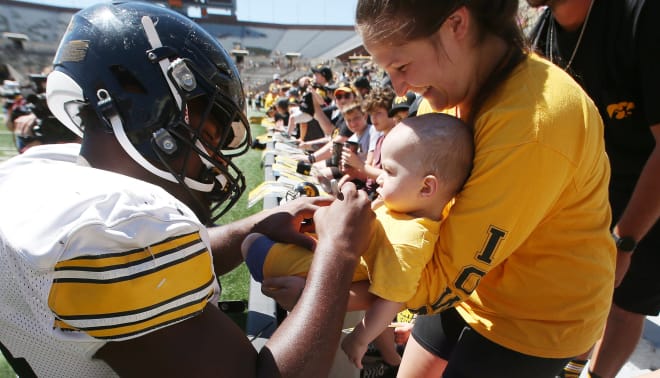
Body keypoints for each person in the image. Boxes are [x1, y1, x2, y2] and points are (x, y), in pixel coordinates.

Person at [0, 3, 376, 377]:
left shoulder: (42, 173)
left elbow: (155, 269)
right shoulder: (115, 224)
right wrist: (338, 250)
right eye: (207, 137)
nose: (213, 159)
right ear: (149, 111)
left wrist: (257, 225)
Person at [349, 0, 617, 377]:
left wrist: (330, 281)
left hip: (538, 321)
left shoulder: (533, 125)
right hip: (469, 284)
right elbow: (416, 216)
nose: (399, 88)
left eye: (402, 66)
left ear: (456, 24)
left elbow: (444, 276)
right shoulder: (440, 98)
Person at [242, 113, 474, 370]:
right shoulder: (403, 208)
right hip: (315, 255)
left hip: (302, 269)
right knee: (262, 234)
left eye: (389, 170)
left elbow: (390, 301)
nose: (379, 177)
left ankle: (388, 357)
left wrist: (359, 339)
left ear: (426, 188)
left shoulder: (410, 242)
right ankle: (390, 357)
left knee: (250, 242)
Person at [527, 1, 660, 377]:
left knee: (625, 303)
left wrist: (626, 240)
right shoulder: (541, 36)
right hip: (587, 196)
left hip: (648, 195)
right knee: (575, 302)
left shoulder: (641, 14)